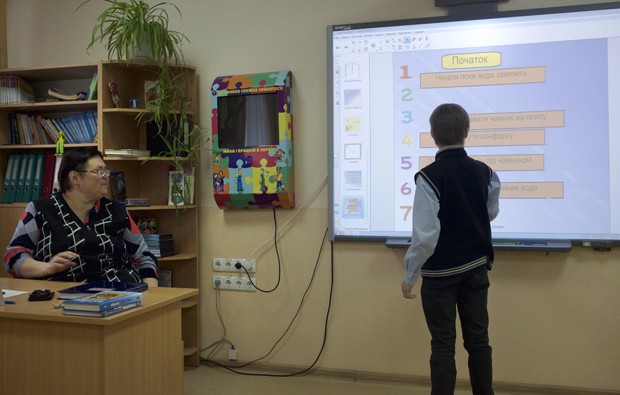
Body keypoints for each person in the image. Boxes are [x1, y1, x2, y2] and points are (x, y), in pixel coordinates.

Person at [401, 103, 500, 395]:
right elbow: (489, 213)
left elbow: (425, 237)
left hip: (440, 274)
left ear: (432, 135)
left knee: (443, 344)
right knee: (479, 341)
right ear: (467, 131)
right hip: (476, 268)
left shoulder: (428, 177)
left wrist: (410, 275)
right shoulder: (486, 172)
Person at [3, 147, 158, 287]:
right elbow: (13, 256)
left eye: (106, 171)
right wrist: (46, 267)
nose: (105, 176)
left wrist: (152, 294)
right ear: (74, 178)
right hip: (61, 295)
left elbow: (144, 258)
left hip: (120, 292)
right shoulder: (40, 209)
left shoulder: (117, 211)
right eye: (98, 171)